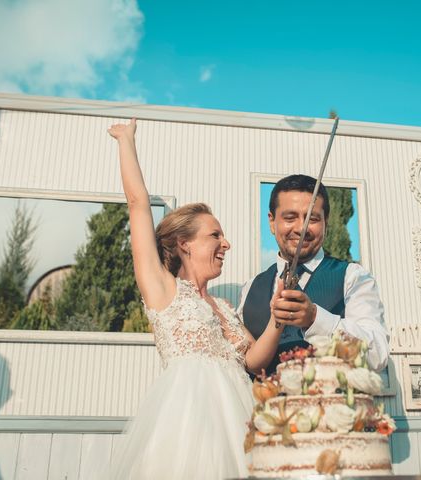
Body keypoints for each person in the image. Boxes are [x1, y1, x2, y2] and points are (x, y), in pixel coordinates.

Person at [106, 119, 283, 479]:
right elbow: (138, 204)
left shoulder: (227, 309)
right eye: (215, 235)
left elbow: (254, 361)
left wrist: (278, 318)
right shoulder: (162, 288)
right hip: (186, 426)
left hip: (243, 420)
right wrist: (126, 140)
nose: (226, 244)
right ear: (185, 243)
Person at [238, 174, 389, 374]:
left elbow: (377, 355)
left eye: (313, 219)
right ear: (272, 222)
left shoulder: (353, 277)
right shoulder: (250, 288)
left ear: (326, 222)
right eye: (290, 218)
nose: (301, 228)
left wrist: (316, 319)